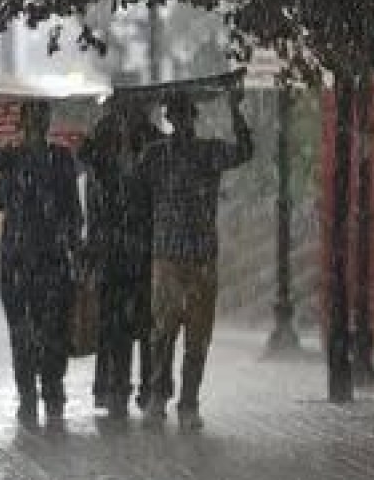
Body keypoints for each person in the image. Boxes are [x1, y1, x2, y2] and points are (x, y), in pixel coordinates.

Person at [137, 86, 253, 428]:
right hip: (168, 256)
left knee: (197, 337)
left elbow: (245, 150)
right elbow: (133, 185)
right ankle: (159, 395)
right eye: (177, 115)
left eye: (186, 115)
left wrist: (235, 110)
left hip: (200, 256)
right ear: (170, 119)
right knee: (164, 332)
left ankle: (188, 402)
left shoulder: (208, 152)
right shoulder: (156, 155)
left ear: (193, 117)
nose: (182, 121)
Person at [0, 100, 83, 425]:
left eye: (40, 119)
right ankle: (34, 396)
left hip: (45, 259)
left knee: (47, 331)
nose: (37, 125)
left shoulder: (54, 158)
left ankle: (47, 394)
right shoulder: (15, 159)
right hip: (24, 261)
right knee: (28, 332)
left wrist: (75, 247)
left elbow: (72, 210)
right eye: (33, 119)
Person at [78, 94, 164, 419]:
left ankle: (147, 388)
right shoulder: (102, 142)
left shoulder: (153, 143)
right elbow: (87, 162)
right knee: (115, 324)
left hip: (143, 246)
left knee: (145, 324)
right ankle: (116, 388)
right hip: (113, 248)